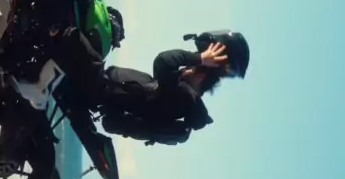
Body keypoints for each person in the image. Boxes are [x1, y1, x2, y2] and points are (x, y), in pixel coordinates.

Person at [48, 27, 250, 146]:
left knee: (71, 35)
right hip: (103, 94)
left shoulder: (183, 96)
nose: (184, 68)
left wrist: (199, 58)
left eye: (189, 67)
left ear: (201, 74)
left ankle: (36, 88)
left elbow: (163, 61)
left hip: (101, 89)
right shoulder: (184, 100)